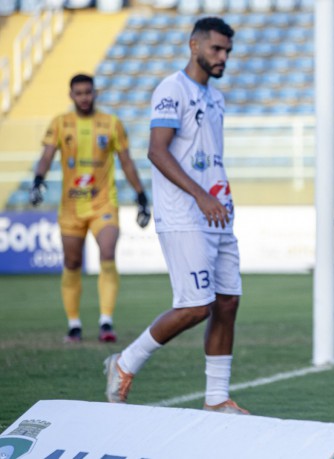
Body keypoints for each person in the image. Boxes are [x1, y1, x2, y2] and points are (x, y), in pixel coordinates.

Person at [104, 17, 247, 415]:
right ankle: (124, 363)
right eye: (216, 49)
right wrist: (202, 197)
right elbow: (157, 150)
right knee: (196, 306)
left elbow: (209, 158)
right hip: (185, 214)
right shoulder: (172, 89)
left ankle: (216, 398)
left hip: (218, 213)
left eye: (227, 52)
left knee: (228, 302)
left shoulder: (215, 98)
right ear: (194, 45)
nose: (223, 57)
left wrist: (218, 197)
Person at [30, 73, 150, 344]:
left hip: (103, 204)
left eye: (88, 92)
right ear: (71, 96)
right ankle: (74, 325)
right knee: (72, 262)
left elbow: (127, 162)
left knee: (107, 253)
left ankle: (106, 321)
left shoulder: (111, 124)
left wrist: (141, 195)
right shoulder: (61, 124)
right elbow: (46, 155)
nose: (84, 97)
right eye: (79, 93)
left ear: (95, 93)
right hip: (71, 207)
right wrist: (38, 180)